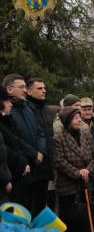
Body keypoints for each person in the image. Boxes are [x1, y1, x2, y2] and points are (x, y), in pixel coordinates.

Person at [3, 74, 47, 217]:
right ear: (9, 89)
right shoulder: (8, 111)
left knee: (36, 208)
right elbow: (13, 138)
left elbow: (40, 132)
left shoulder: (27, 108)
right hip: (21, 168)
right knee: (21, 210)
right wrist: (33, 154)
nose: (24, 90)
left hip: (37, 167)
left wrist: (41, 151)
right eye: (21, 87)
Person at [54, 106, 94, 232]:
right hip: (68, 185)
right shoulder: (59, 138)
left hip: (85, 183)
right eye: (76, 118)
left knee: (83, 217)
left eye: (79, 117)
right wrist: (77, 172)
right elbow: (59, 161)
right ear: (68, 121)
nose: (79, 120)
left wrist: (87, 170)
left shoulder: (86, 135)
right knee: (70, 218)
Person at [26, 78, 55, 210]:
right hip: (33, 165)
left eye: (44, 88)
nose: (44, 91)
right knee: (31, 206)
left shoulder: (46, 110)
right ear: (29, 92)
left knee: (41, 205)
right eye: (39, 88)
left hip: (46, 166)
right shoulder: (26, 109)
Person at [0, 87, 30, 203]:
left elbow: (16, 144)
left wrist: (24, 163)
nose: (11, 104)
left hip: (14, 177)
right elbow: (5, 151)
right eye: (7, 101)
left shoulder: (6, 121)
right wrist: (5, 180)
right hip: (9, 179)